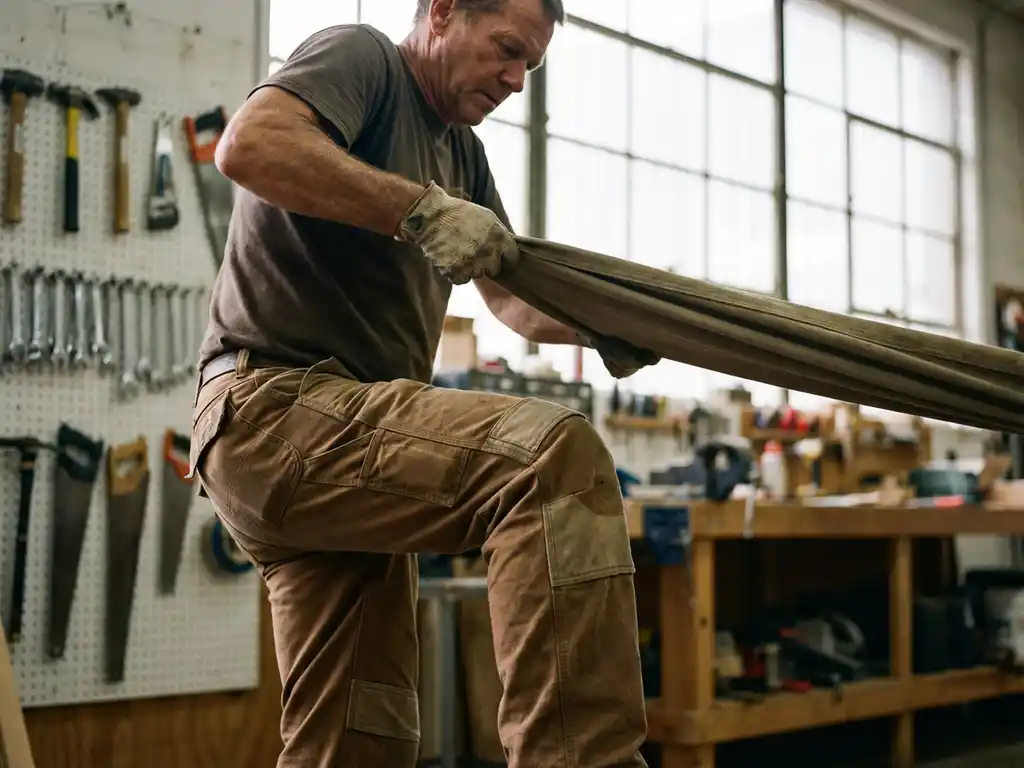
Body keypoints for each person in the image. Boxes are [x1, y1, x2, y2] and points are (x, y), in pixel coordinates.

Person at [188, 0, 656, 765]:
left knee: (361, 735)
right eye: (507, 49)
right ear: (442, 12)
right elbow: (252, 144)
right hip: (274, 414)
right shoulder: (363, 59)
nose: (516, 79)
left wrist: (606, 327)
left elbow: (511, 299)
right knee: (551, 459)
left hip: (341, 459)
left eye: (531, 66)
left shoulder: (464, 155)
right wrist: (419, 210)